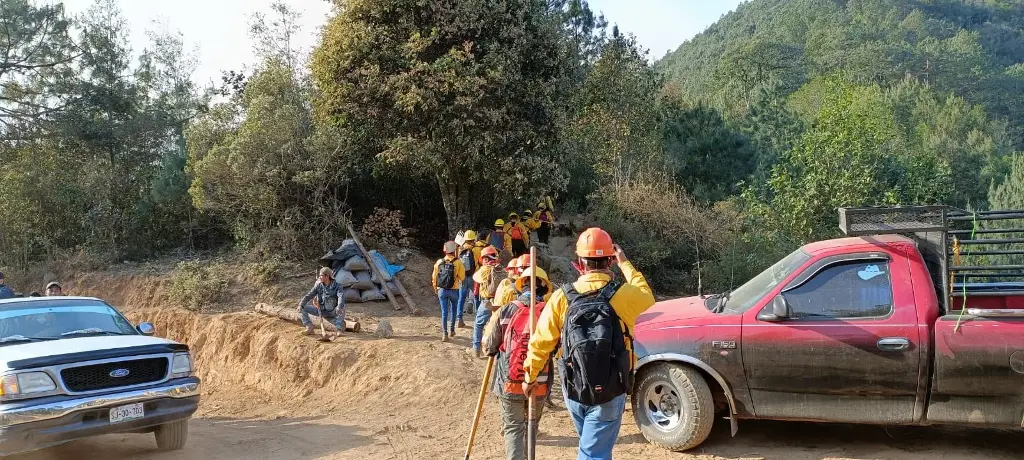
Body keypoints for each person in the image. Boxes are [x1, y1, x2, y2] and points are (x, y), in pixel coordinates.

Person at [522, 228, 655, 460]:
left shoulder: (562, 297)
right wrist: (625, 264)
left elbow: (540, 342)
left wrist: (529, 377)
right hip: (612, 387)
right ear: (610, 261)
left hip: (574, 385)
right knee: (594, 452)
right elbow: (648, 298)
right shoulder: (624, 295)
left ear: (578, 264)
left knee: (592, 445)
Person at [484, 266, 553, 460]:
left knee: (513, 428)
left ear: (521, 286)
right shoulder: (549, 313)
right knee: (531, 427)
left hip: (509, 381)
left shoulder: (507, 310)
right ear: (543, 288)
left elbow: (490, 347)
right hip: (539, 382)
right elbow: (556, 347)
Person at [468, 246, 502, 358]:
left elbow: (475, 277)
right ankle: (494, 350)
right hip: (500, 302)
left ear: (485, 258)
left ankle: (476, 349)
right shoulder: (501, 268)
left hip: (487, 302)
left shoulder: (484, 269)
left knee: (479, 324)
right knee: (497, 327)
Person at [298, 267, 347, 338]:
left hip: (334, 311)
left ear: (327, 276)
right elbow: (308, 296)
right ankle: (309, 327)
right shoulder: (319, 286)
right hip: (322, 311)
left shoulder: (338, 286)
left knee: (343, 306)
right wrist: (301, 305)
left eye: (321, 275)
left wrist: (339, 306)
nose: (319, 277)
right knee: (304, 308)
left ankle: (339, 330)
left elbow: (341, 296)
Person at [432, 241, 466, 342]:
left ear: (445, 250)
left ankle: (444, 334)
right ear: (454, 250)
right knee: (454, 310)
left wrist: (435, 288)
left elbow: (434, 277)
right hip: (454, 290)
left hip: (442, 290)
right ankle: (452, 330)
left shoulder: (439, 262)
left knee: (444, 312)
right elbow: (462, 277)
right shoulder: (458, 262)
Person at [456, 230, 482, 329]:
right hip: (473, 276)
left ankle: (459, 319)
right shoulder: (474, 249)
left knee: (461, 298)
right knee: (476, 297)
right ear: (473, 239)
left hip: (462, 277)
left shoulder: (459, 248)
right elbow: (476, 263)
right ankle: (477, 319)